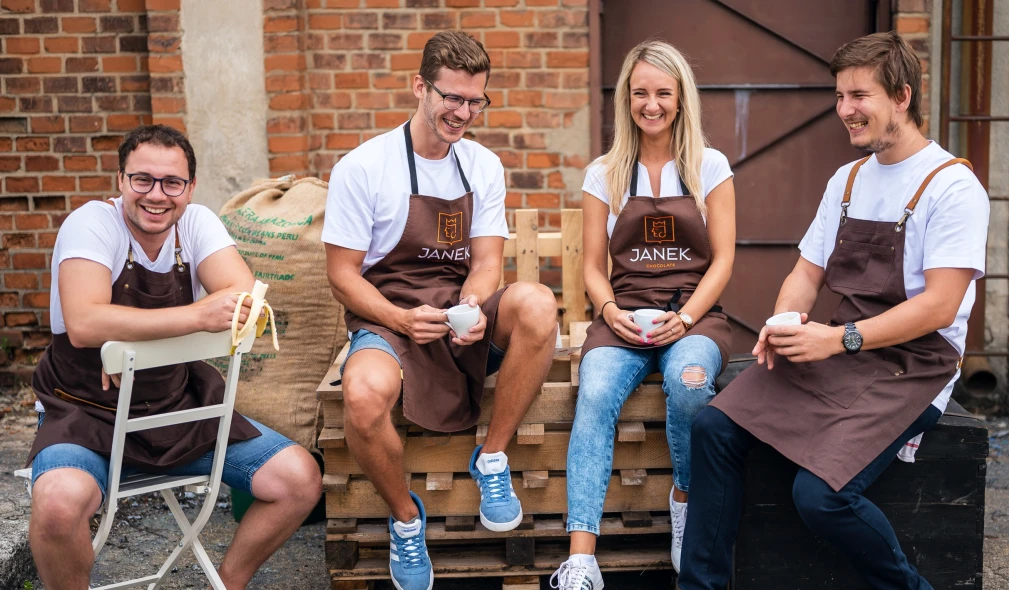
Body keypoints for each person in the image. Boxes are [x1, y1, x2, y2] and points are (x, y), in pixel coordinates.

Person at [678, 31, 989, 590]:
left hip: (914, 366)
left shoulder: (952, 187)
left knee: (819, 496)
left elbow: (942, 307)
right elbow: (806, 273)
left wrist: (838, 339)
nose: (845, 110)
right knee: (712, 427)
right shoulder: (846, 181)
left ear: (902, 96)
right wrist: (786, 322)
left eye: (859, 96)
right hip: (841, 347)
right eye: (840, 95)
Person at [25, 125, 323, 590]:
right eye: (142, 179)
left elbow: (245, 301)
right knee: (59, 506)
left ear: (190, 187)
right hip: (86, 412)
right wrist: (196, 316)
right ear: (121, 179)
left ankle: (228, 583)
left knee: (299, 480)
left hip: (179, 408)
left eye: (172, 183)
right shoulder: (92, 224)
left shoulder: (197, 223)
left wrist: (128, 344)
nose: (156, 195)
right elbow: (84, 323)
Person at [323, 30, 559, 590]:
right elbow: (341, 276)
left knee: (537, 302)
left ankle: (492, 458)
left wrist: (473, 305)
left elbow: (486, 261)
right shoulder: (364, 167)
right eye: (451, 97)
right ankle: (407, 519)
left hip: (456, 317)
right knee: (360, 394)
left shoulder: (482, 165)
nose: (462, 112)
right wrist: (402, 320)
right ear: (419, 88)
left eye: (475, 100)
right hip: (390, 319)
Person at [550, 41, 735, 590]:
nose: (650, 104)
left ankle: (684, 499)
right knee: (597, 391)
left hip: (694, 314)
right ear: (625, 100)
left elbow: (723, 259)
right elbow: (591, 268)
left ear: (681, 99)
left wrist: (686, 318)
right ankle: (581, 557)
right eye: (640, 93)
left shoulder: (710, 167)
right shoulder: (604, 173)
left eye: (662, 93)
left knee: (691, 382)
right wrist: (610, 310)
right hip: (623, 316)